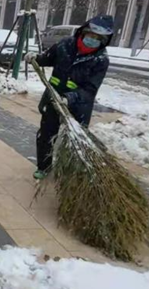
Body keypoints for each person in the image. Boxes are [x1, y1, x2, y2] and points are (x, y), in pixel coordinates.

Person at [25, 15, 114, 180]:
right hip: (53, 100)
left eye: (98, 39)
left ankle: (71, 175)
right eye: (91, 36)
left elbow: (90, 89)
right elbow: (47, 58)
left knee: (75, 142)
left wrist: (69, 98)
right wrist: (35, 58)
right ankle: (44, 167)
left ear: (104, 41)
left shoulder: (100, 60)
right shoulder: (65, 45)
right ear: (84, 32)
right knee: (46, 135)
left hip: (78, 106)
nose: (92, 40)